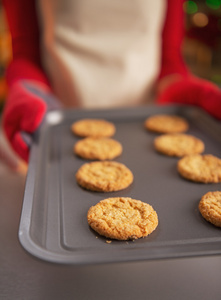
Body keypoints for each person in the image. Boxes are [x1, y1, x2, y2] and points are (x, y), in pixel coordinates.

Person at [2, 0, 221, 163]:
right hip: (60, 127)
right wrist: (29, 90)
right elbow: (25, 53)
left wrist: (182, 89)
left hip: (150, 127)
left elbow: (169, 58)